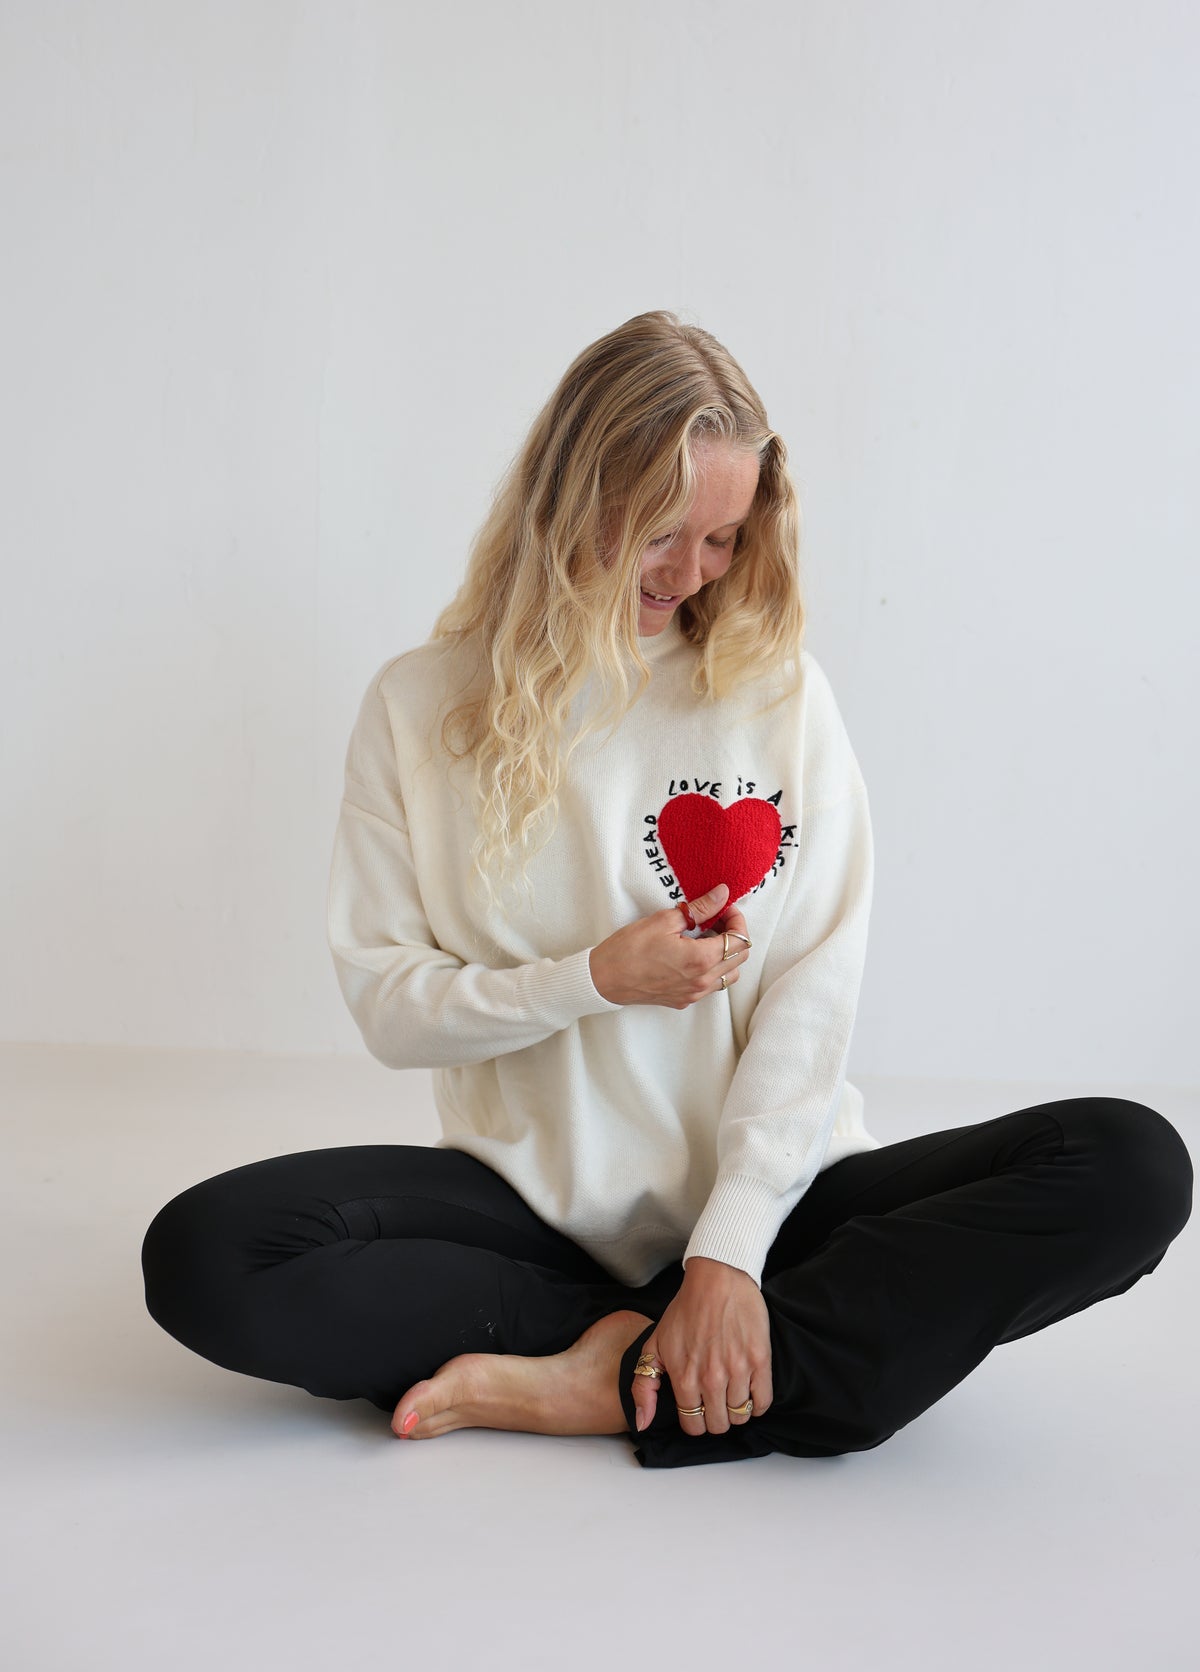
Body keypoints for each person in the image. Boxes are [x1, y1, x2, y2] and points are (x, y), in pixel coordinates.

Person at [142, 309, 1193, 1469]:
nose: (691, 573)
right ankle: (680, 1360)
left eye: (724, 538)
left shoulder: (780, 697)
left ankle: (611, 1381)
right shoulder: (417, 708)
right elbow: (394, 1010)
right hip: (533, 1215)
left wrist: (728, 1252)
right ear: (571, 501)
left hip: (778, 1208)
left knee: (1131, 1164)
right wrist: (592, 978)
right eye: (659, 533)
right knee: (206, 1253)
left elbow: (810, 997)